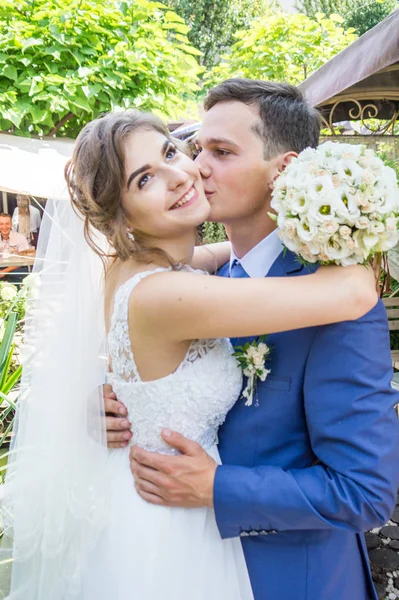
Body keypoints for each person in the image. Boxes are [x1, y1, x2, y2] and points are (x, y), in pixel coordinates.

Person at [0, 108, 378, 600]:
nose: (183, 173)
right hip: (167, 527)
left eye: (173, 151)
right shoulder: (166, 295)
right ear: (122, 214)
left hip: (145, 505)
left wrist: (257, 240)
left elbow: (221, 258)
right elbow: (352, 292)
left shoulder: (141, 267)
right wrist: (357, 219)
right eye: (145, 179)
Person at [107, 81, 399, 600]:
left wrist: (217, 489)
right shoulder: (205, 287)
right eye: (197, 150)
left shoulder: (337, 304)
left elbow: (366, 493)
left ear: (284, 172)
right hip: (188, 568)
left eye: (221, 153)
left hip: (294, 582)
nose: (196, 168)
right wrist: (122, 401)